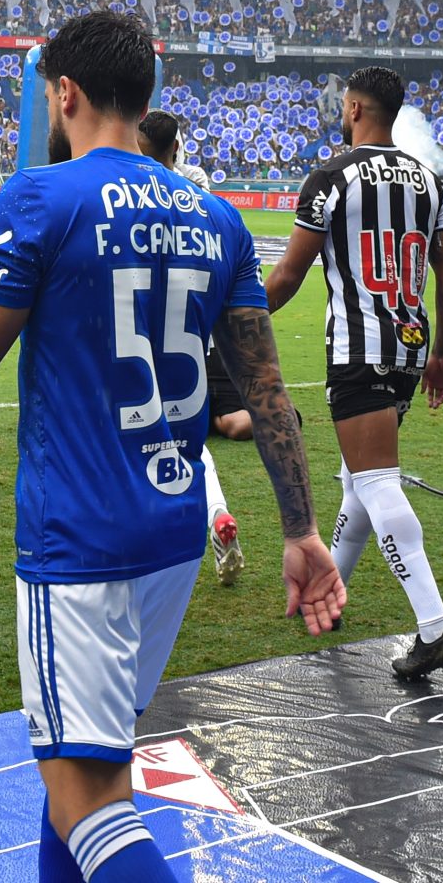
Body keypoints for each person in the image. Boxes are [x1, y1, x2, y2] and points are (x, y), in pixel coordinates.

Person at [0, 9, 344, 883]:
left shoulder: (39, 197)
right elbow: (266, 390)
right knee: (80, 768)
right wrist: (299, 531)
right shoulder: (216, 218)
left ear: (63, 93)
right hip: (173, 534)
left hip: (79, 540)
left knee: (88, 799)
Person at [263, 65, 443, 679]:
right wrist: (442, 354)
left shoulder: (330, 176)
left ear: (352, 109)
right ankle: (331, 595)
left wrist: (234, 322)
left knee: (376, 481)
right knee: (357, 480)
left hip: (359, 346)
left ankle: (434, 626)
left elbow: (291, 274)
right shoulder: (430, 181)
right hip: (410, 344)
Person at [139, 108, 247, 584]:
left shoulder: (131, 192)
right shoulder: (198, 187)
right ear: (177, 147)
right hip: (192, 332)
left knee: (130, 435)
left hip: (139, 328)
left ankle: (149, 538)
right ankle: (216, 515)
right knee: (189, 439)